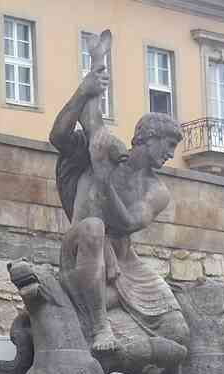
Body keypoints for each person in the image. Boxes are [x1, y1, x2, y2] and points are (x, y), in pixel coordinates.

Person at [50, 30, 189, 357]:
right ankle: (100, 324)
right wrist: (83, 92)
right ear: (148, 137)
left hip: (127, 263)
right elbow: (60, 135)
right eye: (168, 145)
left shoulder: (157, 190)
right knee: (94, 227)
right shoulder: (101, 151)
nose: (170, 154)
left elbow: (126, 222)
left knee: (177, 329)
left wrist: (104, 180)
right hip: (81, 246)